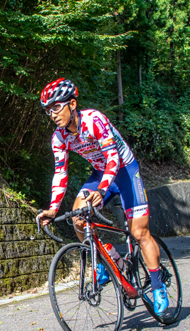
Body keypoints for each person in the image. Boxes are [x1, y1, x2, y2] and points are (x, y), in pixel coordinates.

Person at [35, 78, 169, 315]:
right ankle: (105, 262)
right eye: (48, 110)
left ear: (72, 104)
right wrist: (53, 208)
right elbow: (60, 173)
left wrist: (102, 190)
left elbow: (114, 158)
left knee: (139, 233)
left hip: (125, 170)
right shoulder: (59, 138)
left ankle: (158, 286)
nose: (52, 114)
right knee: (78, 217)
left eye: (56, 107)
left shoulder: (94, 120)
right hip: (101, 173)